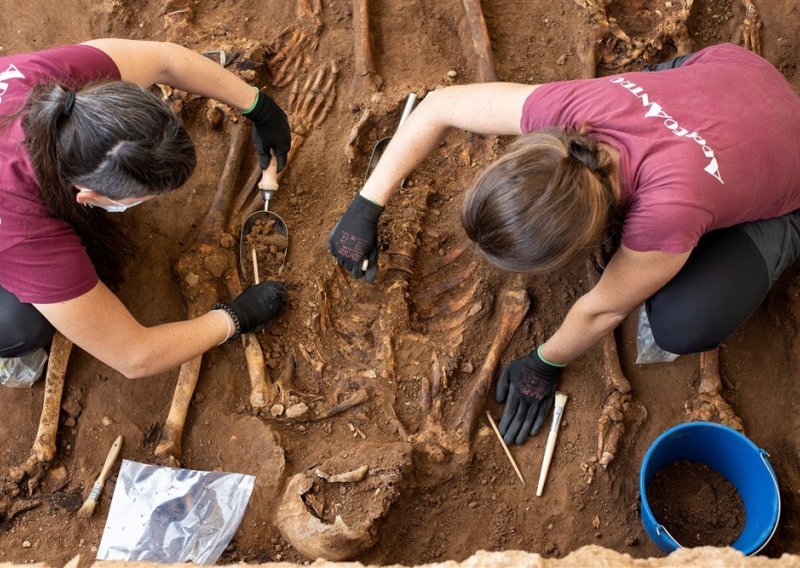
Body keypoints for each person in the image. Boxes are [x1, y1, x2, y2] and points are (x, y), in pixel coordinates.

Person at [328, 43, 800, 444]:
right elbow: (438, 106)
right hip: (732, 73)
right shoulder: (571, 109)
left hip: (790, 152)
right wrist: (368, 203)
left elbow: (604, 309)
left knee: (682, 324)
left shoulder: (664, 214)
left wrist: (544, 361)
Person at [0, 38, 292, 378]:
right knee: (20, 326)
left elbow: (165, 60)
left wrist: (257, 106)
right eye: (142, 196)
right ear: (86, 194)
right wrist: (234, 317)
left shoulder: (62, 86)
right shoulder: (22, 229)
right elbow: (135, 356)